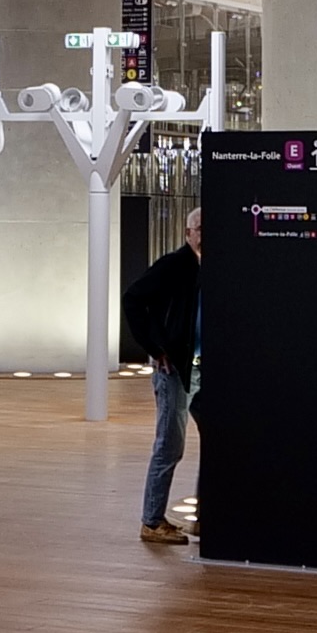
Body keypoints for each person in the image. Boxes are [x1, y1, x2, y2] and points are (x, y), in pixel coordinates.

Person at [129, 207, 207, 544]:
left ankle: (206, 518)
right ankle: (151, 520)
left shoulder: (212, 268)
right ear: (188, 232)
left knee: (217, 441)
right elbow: (133, 299)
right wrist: (156, 347)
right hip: (175, 369)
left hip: (203, 369)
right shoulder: (175, 265)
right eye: (200, 227)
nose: (205, 234)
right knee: (170, 445)